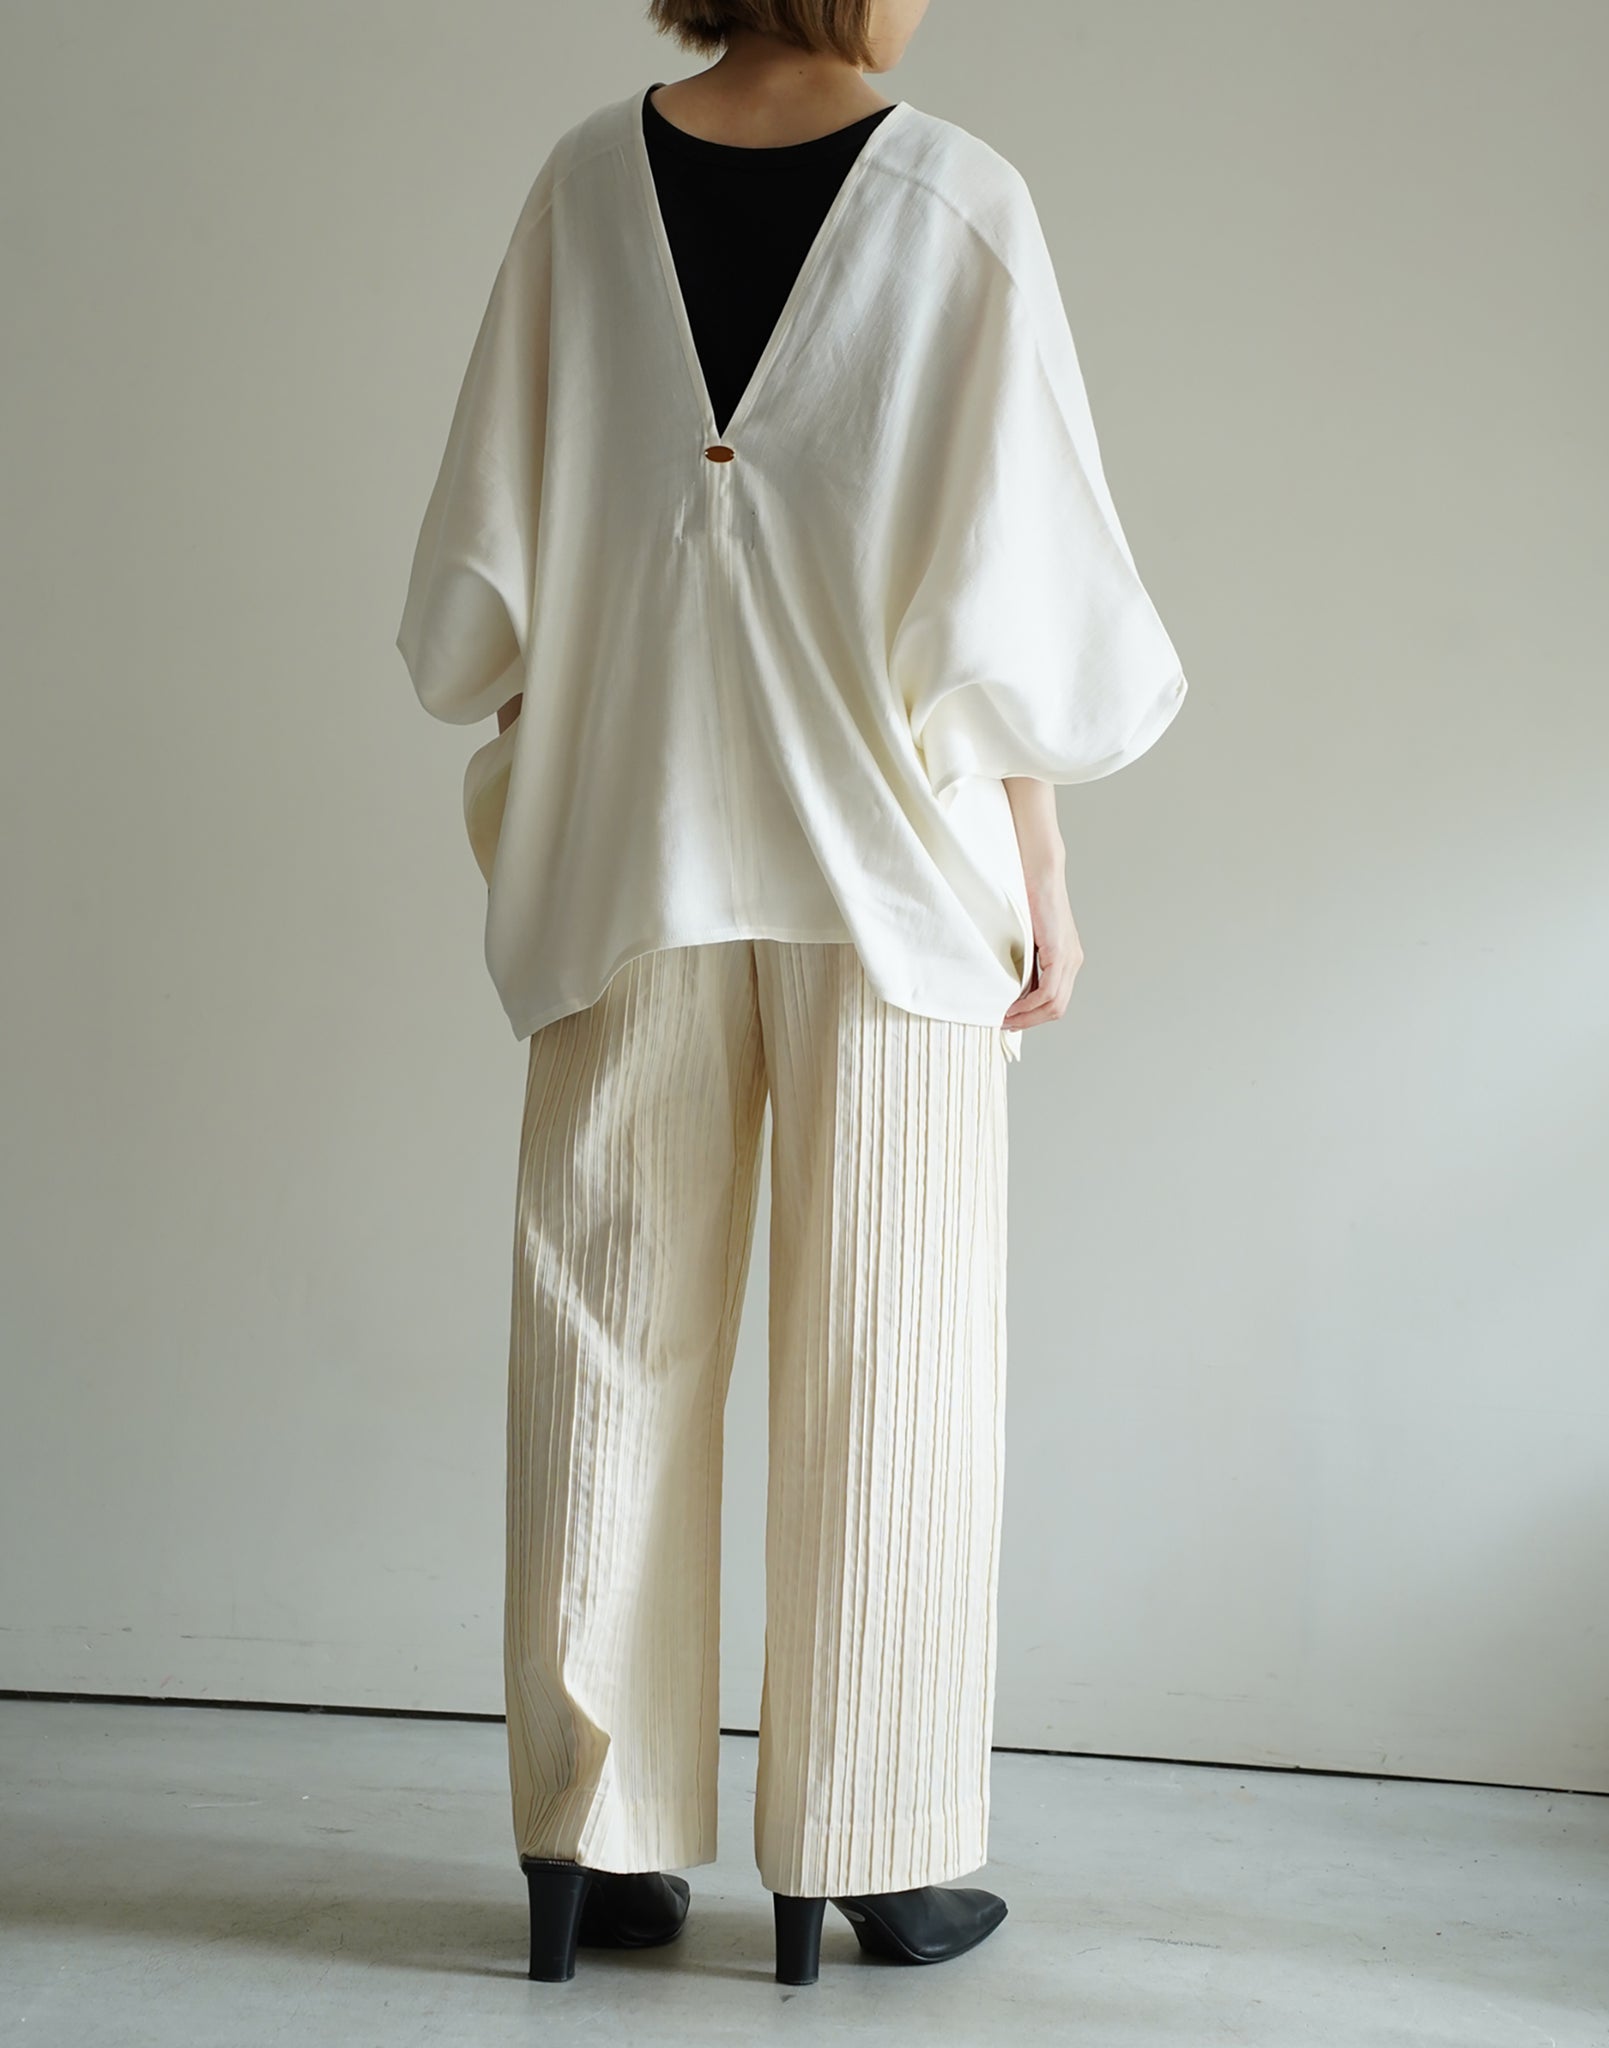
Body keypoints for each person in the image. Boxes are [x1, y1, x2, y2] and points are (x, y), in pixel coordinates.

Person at [393, 0, 1188, 1991]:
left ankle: (587, 1839)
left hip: (626, 860)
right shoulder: (962, 204)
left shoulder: (584, 190)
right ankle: (868, 1846)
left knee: (606, 1346)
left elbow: (477, 599)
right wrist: (1042, 870)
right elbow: (1016, 600)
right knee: (891, 1360)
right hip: (894, 891)